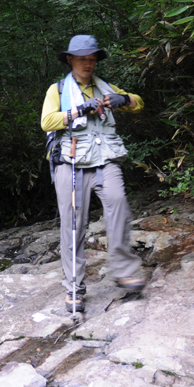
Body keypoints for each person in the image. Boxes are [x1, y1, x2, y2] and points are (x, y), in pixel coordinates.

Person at [41, 35, 145, 313]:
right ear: (70, 60)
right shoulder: (58, 89)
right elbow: (46, 121)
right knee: (73, 224)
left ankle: (124, 270)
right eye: (82, 58)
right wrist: (79, 110)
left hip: (105, 160)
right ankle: (74, 286)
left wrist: (123, 99)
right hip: (71, 162)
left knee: (119, 203)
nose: (88, 63)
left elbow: (138, 103)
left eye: (92, 58)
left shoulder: (105, 87)